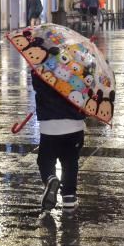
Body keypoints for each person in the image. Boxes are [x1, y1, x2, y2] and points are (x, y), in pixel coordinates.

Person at [33, 73, 85, 211]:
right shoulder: (81, 66)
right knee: (70, 162)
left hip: (49, 125)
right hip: (75, 124)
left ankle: (50, 178)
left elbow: (38, 87)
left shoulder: (42, 66)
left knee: (45, 160)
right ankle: (69, 197)